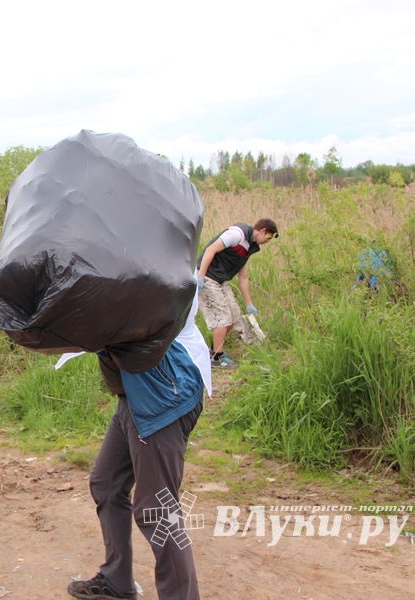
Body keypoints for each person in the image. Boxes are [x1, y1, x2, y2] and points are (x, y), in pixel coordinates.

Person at [68, 291, 212, 600]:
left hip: (162, 396)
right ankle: (116, 580)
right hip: (134, 395)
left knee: (158, 510)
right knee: (106, 481)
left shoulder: (155, 263)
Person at [195, 218, 278, 367]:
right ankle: (217, 359)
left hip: (220, 280)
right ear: (263, 231)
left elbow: (243, 278)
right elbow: (210, 249)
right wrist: (200, 276)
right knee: (223, 318)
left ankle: (214, 351)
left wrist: (249, 304)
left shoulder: (249, 248)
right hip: (207, 277)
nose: (268, 241)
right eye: (269, 237)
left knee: (234, 316)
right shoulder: (236, 235)